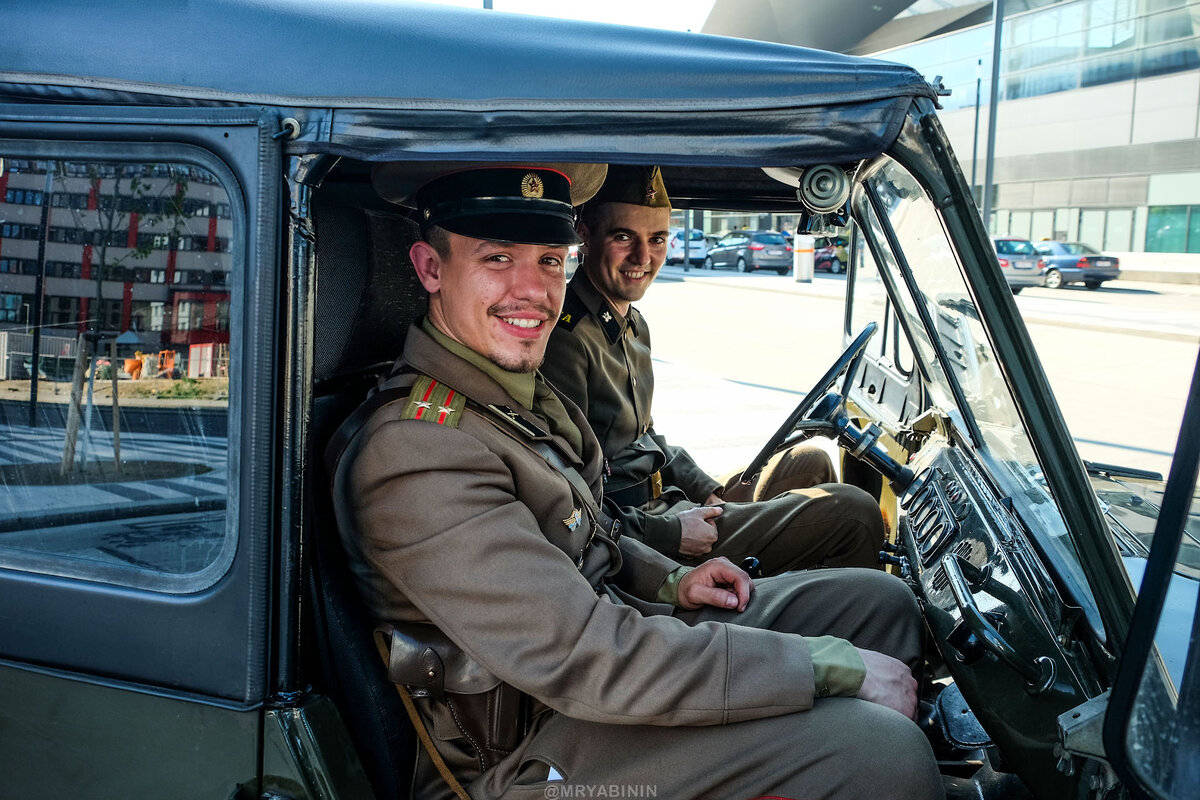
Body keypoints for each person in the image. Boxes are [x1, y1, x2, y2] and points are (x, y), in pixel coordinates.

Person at [331, 163, 942, 800]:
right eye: (496, 258)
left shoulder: (509, 395)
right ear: (430, 269)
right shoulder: (419, 448)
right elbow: (586, 656)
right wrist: (828, 668)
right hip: (526, 755)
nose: (532, 290)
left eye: (548, 261)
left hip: (599, 660)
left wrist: (672, 579)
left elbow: (587, 532)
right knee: (883, 752)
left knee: (878, 603)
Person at [541, 164, 884, 574]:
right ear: (585, 232)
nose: (643, 257)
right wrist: (669, 532)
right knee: (854, 513)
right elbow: (568, 498)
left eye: (658, 239)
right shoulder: (566, 339)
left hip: (670, 500)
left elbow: (644, 434)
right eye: (623, 237)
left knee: (810, 462)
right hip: (645, 538)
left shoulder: (632, 324)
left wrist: (708, 489)